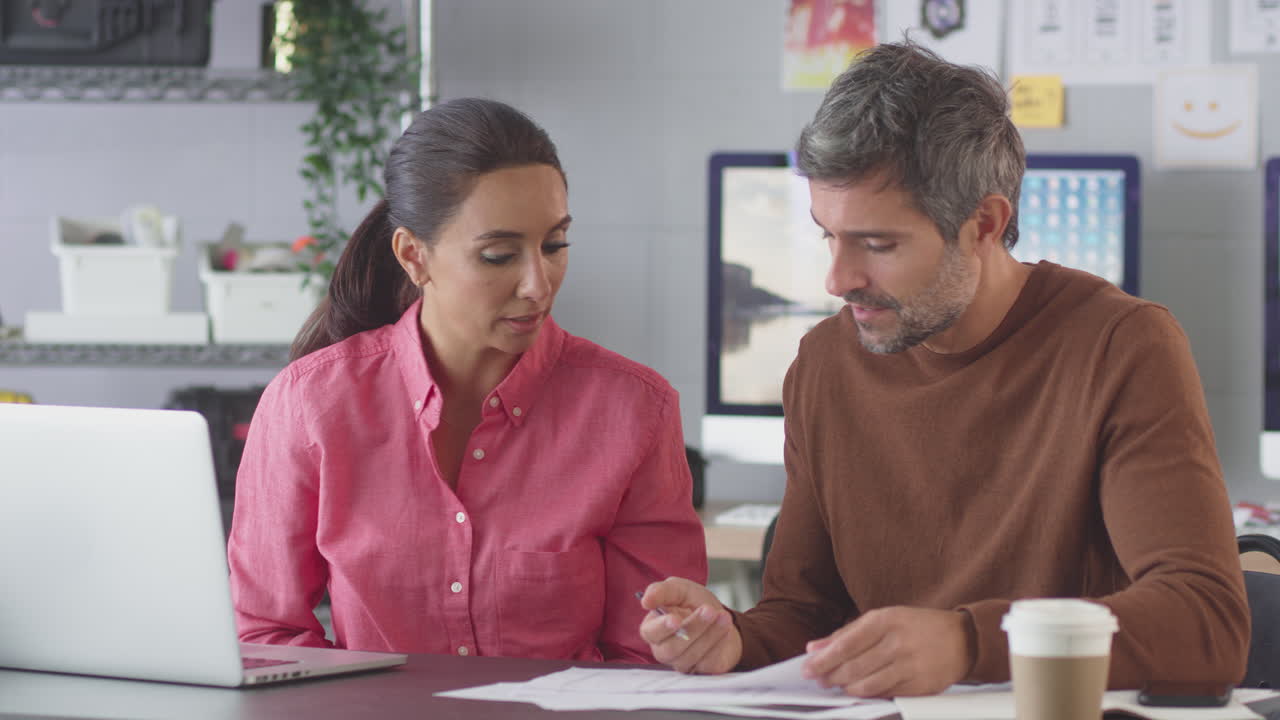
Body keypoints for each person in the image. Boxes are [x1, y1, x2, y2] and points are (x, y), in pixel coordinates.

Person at [638, 40, 1249, 696]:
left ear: (983, 223)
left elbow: (1206, 624)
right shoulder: (824, 362)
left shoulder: (1123, 345)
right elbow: (804, 615)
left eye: (878, 244)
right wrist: (733, 639)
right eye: (828, 235)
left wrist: (967, 643)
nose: (837, 280)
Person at [228, 98, 707, 662]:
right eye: (499, 255)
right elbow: (266, 633)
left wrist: (688, 641)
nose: (538, 284)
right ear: (414, 256)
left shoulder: (634, 410)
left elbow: (647, 656)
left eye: (554, 245)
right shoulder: (309, 404)